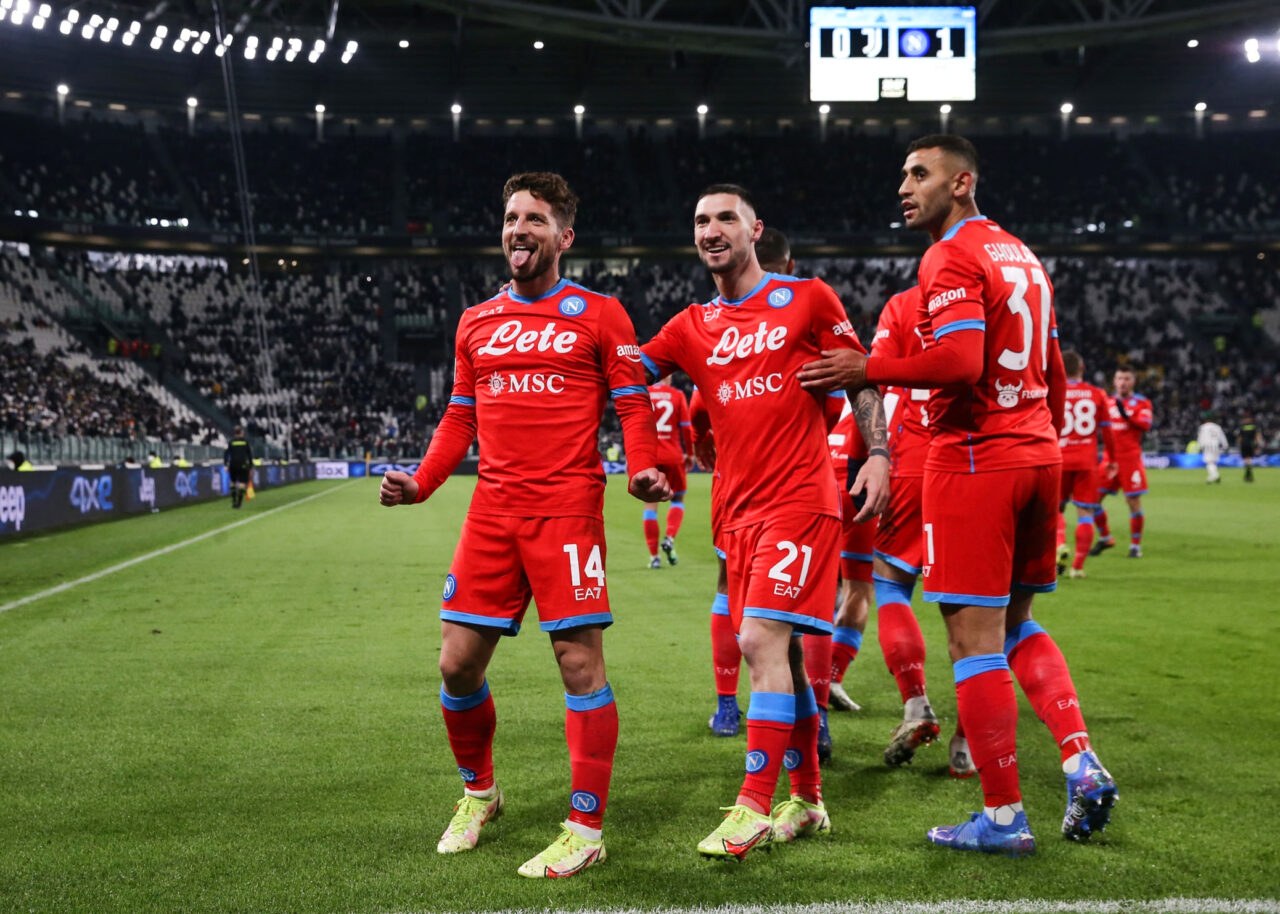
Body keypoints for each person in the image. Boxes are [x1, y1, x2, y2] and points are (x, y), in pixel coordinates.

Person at [798, 135, 1117, 855]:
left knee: (972, 642)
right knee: (1018, 625)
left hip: (975, 460)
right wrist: (1044, 448)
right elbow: (1054, 369)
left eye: (920, 174)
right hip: (1037, 454)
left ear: (962, 182)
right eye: (902, 174)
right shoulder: (1021, 255)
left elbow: (961, 360)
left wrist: (868, 367)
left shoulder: (949, 255)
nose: (904, 187)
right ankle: (1078, 757)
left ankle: (1003, 817)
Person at [378, 172, 668, 879]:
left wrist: (642, 467)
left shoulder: (600, 313)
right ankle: (480, 794)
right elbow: (460, 416)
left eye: (535, 219)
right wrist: (421, 482)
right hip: (492, 512)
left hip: (567, 511)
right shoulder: (476, 320)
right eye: (511, 217)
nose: (519, 230)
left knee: (579, 664)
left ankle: (586, 828)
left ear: (564, 236)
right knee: (456, 663)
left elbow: (633, 403)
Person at [641, 183, 890, 861]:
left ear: (755, 230)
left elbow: (860, 378)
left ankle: (752, 806)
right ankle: (807, 800)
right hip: (736, 513)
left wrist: (879, 455)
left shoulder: (807, 298)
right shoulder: (689, 326)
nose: (712, 229)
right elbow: (628, 374)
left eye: (726, 217)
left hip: (801, 502)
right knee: (786, 655)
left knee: (757, 639)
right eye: (701, 220)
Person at [699, 226, 797, 739]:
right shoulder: (804, 309)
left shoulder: (725, 324)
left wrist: (703, 442)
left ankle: (726, 706)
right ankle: (816, 718)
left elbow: (699, 408)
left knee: (731, 591)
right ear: (789, 264)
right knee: (801, 609)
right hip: (803, 481)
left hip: (738, 483)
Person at [862, 286, 954, 772]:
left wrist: (879, 454)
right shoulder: (996, 293)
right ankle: (969, 745)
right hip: (981, 462)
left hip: (916, 462)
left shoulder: (903, 305)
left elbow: (874, 378)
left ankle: (916, 703)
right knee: (982, 616)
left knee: (890, 583)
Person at [1056, 350, 1117, 578]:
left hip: (1059, 458)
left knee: (1055, 509)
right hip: (1086, 461)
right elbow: (1108, 431)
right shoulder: (1097, 394)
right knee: (1085, 514)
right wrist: (1112, 459)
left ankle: (1059, 544)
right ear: (1082, 368)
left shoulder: (1053, 391)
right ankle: (1077, 567)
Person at [1100, 367, 1153, 558]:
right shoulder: (1106, 402)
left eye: (1127, 378)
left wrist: (1127, 416)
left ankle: (1135, 546)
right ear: (1114, 381)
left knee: (1133, 502)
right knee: (1092, 500)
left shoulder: (1142, 403)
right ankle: (1105, 537)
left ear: (1133, 381)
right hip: (1109, 459)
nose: (1123, 382)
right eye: (1119, 378)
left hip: (1130, 459)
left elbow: (1146, 424)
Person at [644, 377, 693, 568]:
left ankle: (654, 557)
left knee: (650, 505)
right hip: (673, 455)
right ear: (669, 376)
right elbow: (686, 428)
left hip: (650, 456)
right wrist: (690, 454)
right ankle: (670, 538)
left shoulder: (645, 393)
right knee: (677, 499)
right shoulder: (677, 395)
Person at [224, 427, 253, 509]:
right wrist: (251, 466)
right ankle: (239, 503)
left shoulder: (231, 442)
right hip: (243, 465)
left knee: (233, 482)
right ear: (241, 432)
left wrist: (226, 464)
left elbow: (226, 454)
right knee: (242, 483)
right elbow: (249, 454)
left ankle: (234, 501)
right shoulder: (245, 442)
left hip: (233, 464)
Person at [1196, 413, 1229, 485]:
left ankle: (1214, 475)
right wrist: (1225, 446)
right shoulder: (1217, 427)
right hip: (1216, 446)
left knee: (1209, 462)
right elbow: (1222, 437)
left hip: (1207, 446)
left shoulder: (1203, 427)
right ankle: (1214, 475)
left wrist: (1199, 446)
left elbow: (1201, 438)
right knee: (1213, 462)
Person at [1239, 410, 1263, 482]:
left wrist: (1239, 444)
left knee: (1246, 459)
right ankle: (1249, 473)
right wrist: (1258, 445)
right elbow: (1257, 436)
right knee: (1249, 458)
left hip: (1244, 444)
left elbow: (1239, 438)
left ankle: (1247, 473)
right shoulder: (1254, 427)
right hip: (1251, 444)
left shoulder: (1242, 427)